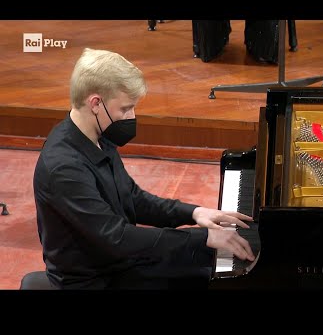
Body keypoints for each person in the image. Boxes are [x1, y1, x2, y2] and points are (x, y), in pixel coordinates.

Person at [33, 48, 255, 290]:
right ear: (95, 103)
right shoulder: (64, 168)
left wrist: (193, 213)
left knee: (209, 263)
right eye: (125, 109)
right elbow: (115, 237)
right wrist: (203, 237)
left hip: (119, 263)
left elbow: (133, 198)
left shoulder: (98, 136)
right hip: (93, 280)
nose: (131, 116)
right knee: (206, 273)